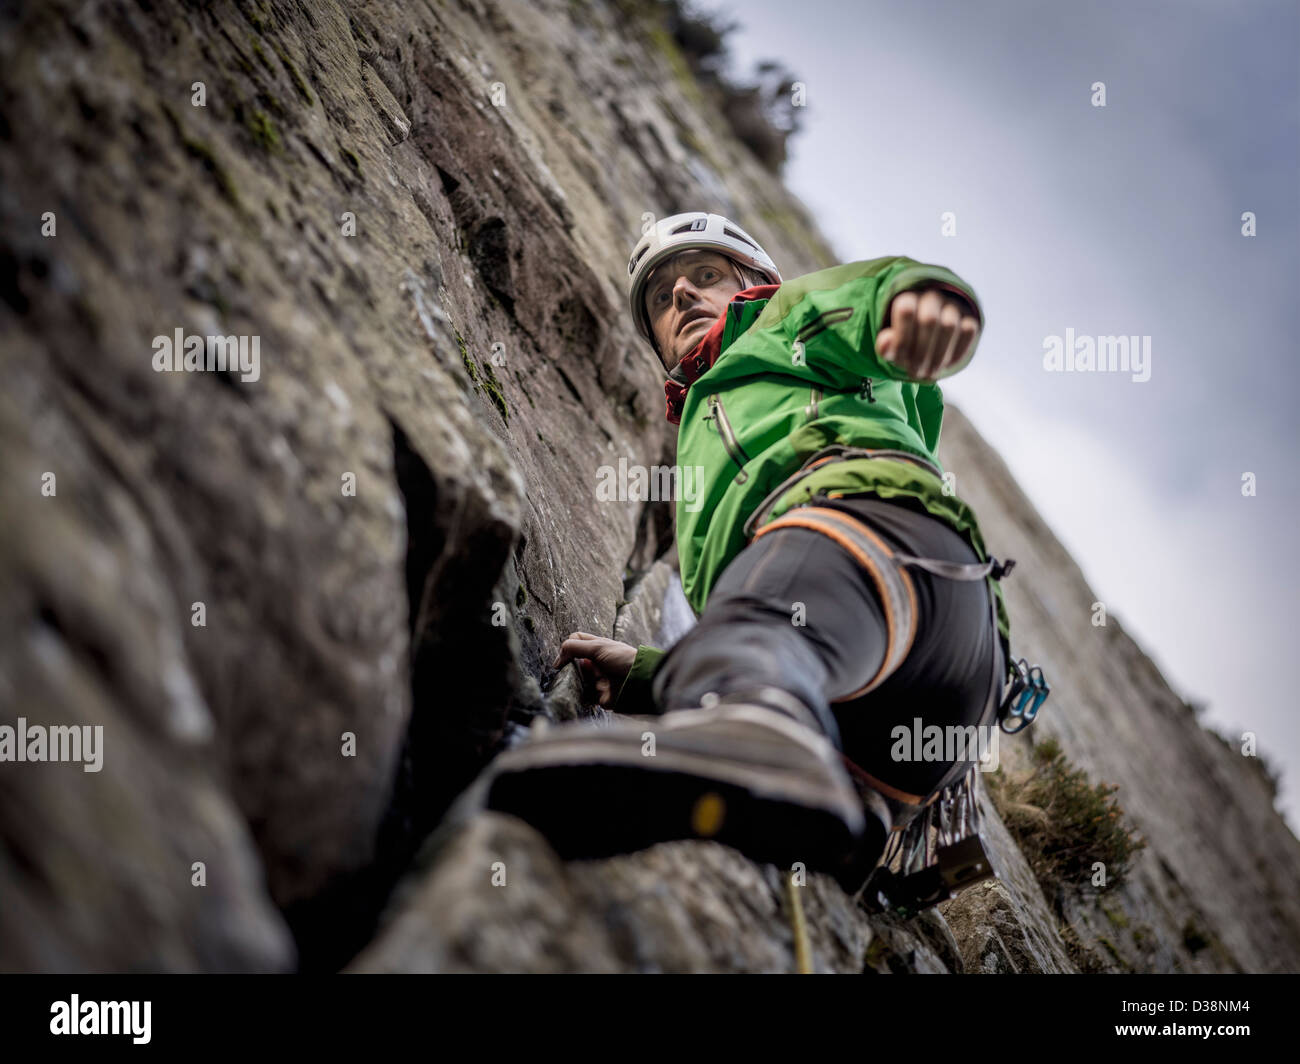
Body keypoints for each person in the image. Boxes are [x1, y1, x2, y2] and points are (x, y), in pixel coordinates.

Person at [485, 212, 1013, 891]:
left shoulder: (784, 321)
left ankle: (764, 729)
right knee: (754, 655)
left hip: (884, 551)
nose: (680, 296)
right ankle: (831, 810)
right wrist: (655, 677)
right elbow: (782, 629)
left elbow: (863, 299)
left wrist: (919, 302)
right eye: (660, 298)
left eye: (704, 276)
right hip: (914, 714)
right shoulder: (704, 428)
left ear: (757, 282)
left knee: (764, 617)